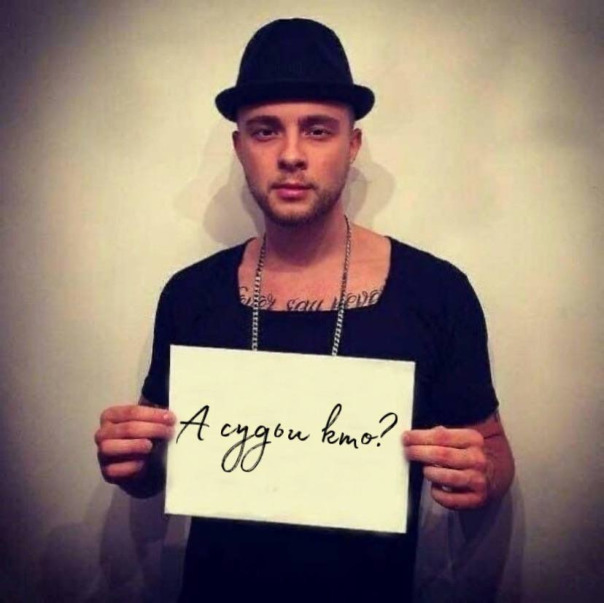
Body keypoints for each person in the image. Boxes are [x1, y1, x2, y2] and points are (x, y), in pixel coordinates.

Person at [95, 18, 514, 601]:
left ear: (353, 144)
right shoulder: (191, 295)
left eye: (318, 130)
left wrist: (481, 473)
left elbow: (493, 450)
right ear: (239, 147)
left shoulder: (436, 292)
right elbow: (157, 470)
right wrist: (132, 462)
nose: (291, 155)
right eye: (265, 131)